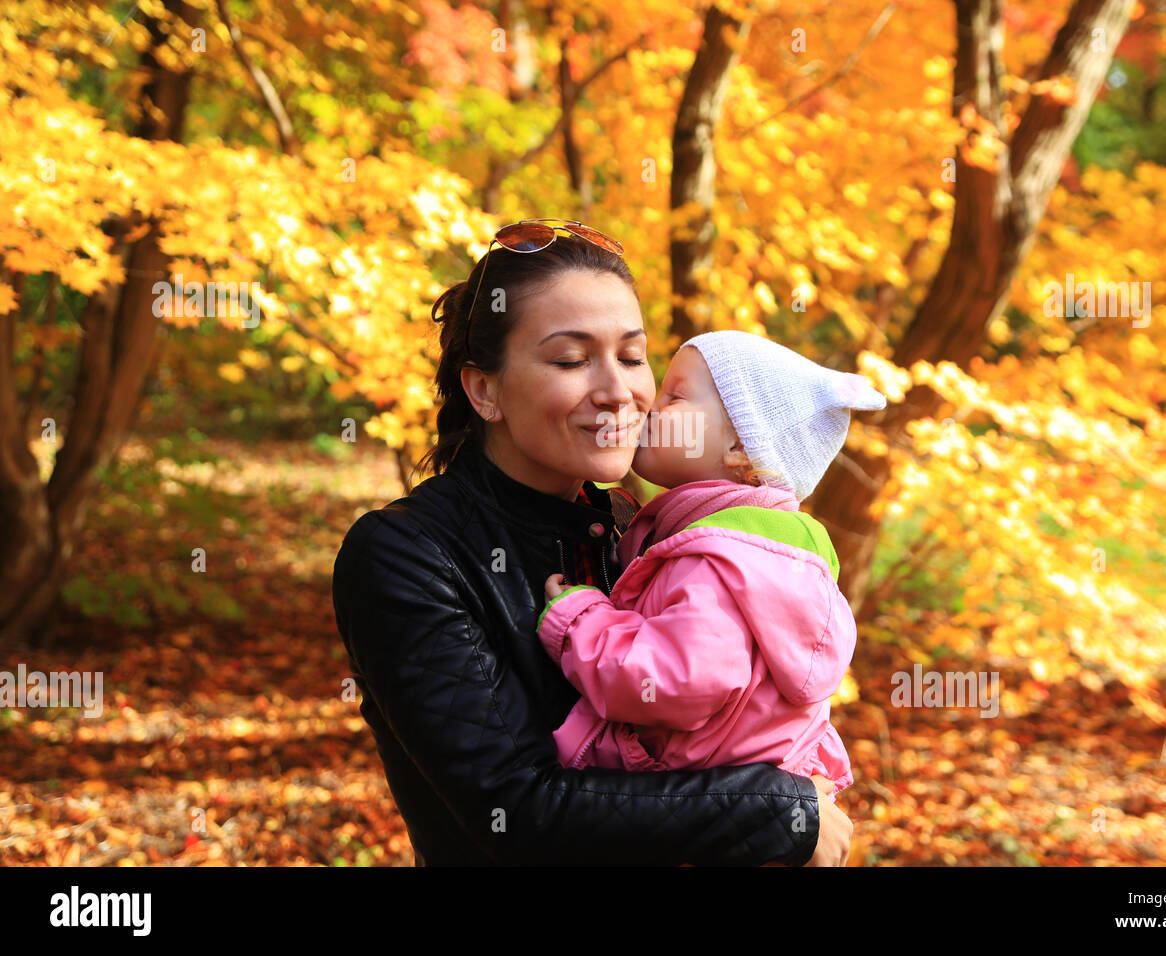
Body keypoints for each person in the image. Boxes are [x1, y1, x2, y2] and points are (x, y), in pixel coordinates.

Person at [332, 219, 853, 865]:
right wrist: (781, 812)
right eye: (572, 360)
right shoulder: (410, 555)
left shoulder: (645, 531)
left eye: (633, 358)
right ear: (485, 390)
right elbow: (514, 810)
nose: (619, 393)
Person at [536, 330, 885, 798]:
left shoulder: (720, 560)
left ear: (740, 448)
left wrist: (580, 621)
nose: (648, 407)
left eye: (676, 396)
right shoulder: (759, 549)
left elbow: (675, 682)